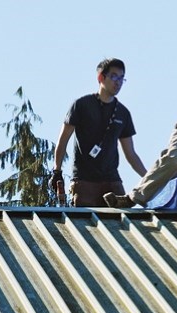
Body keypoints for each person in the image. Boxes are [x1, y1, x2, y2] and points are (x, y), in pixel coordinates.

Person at [50, 58, 147, 207]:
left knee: (121, 223)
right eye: (114, 76)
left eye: (122, 78)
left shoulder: (123, 113)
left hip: (112, 181)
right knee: (85, 226)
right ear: (101, 78)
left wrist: (150, 180)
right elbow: (63, 141)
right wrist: (57, 171)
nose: (118, 82)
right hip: (84, 181)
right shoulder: (81, 105)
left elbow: (131, 154)